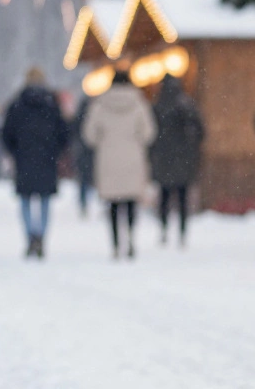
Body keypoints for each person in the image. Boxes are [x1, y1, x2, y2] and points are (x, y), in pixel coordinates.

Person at [82, 70, 156, 259]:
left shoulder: (99, 105)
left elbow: (89, 135)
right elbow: (148, 133)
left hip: (108, 160)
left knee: (113, 204)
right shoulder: (139, 104)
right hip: (133, 159)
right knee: (131, 202)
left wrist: (105, 140)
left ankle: (115, 244)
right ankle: (131, 237)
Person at [2, 67, 71, 259]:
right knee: (44, 201)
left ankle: (31, 236)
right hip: (46, 160)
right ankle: (40, 236)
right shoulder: (52, 104)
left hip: (24, 160)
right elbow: (63, 133)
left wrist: (16, 152)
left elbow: (7, 133)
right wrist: (54, 151)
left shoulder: (17, 104)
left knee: (25, 200)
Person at [149, 74, 204, 247]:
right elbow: (201, 132)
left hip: (163, 159)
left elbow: (150, 135)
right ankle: (182, 231)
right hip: (184, 159)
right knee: (182, 197)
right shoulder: (187, 105)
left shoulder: (158, 107)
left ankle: (164, 229)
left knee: (164, 196)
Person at [72, 97, 95, 216]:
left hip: (82, 151)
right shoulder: (96, 112)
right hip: (91, 152)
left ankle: (84, 202)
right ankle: (86, 202)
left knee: (84, 179)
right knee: (90, 178)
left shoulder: (80, 114)